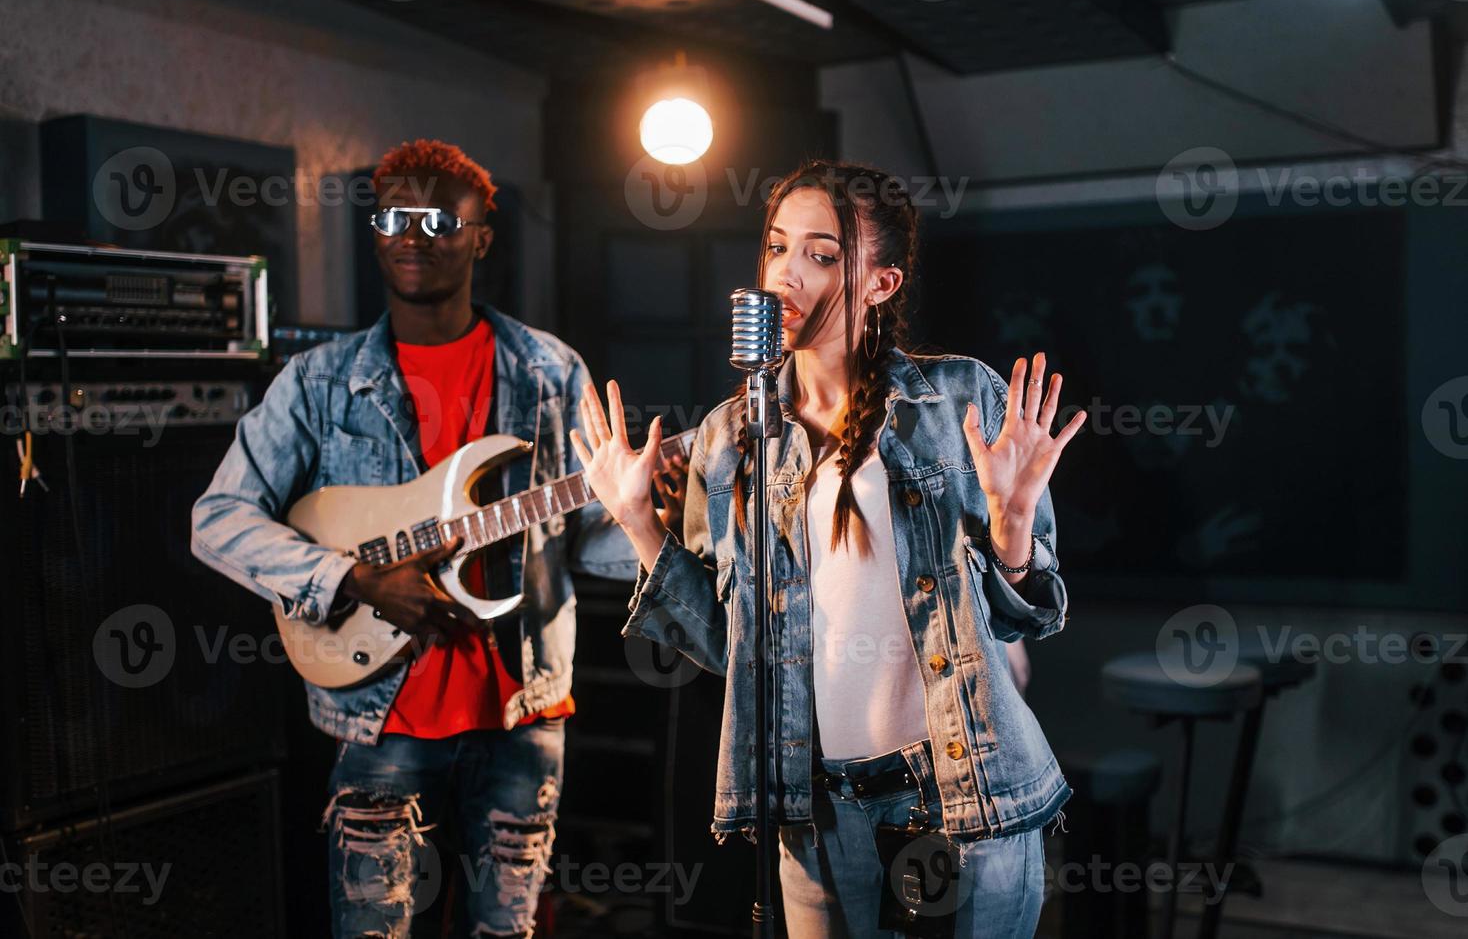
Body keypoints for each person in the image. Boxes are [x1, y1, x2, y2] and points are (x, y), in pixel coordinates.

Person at [571, 161, 1086, 937]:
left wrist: (1013, 533)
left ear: (880, 283)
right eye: (777, 248)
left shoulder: (956, 400)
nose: (786, 273)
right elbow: (725, 647)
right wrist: (641, 523)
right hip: (810, 804)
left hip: (960, 789)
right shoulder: (729, 436)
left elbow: (1027, 620)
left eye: (820, 253)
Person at [191, 139, 675, 938]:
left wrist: (650, 515)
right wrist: (353, 580)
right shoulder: (318, 380)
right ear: (375, 231)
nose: (412, 234)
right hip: (381, 716)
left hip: (524, 712)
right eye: (392, 217)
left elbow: (584, 544)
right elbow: (217, 520)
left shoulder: (550, 371)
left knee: (505, 933)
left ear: (483, 235)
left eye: (439, 218)